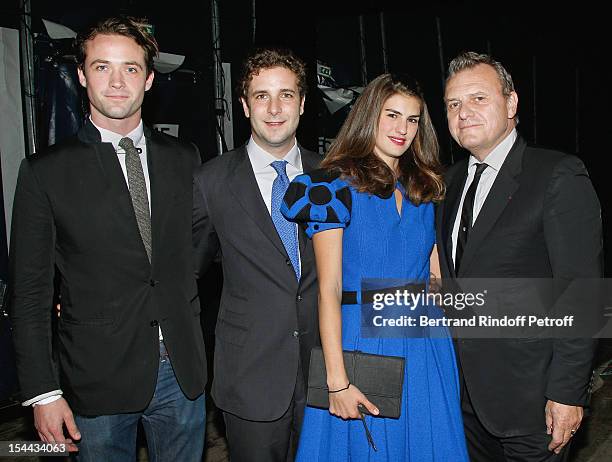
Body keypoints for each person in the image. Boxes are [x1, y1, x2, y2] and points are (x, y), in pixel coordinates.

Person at [9, 16, 207, 461]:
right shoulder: (45, 172)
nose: (117, 82)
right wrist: (42, 392)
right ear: (81, 76)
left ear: (150, 78)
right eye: (102, 67)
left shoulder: (184, 158)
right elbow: (30, 293)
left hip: (183, 373)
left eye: (131, 68)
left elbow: (198, 242)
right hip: (94, 377)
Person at [282, 74, 469, 460]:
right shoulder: (330, 187)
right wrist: (336, 381)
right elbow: (329, 289)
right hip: (361, 339)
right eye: (392, 115)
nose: (403, 129)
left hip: (425, 344)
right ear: (369, 115)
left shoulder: (426, 187)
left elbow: (434, 276)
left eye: (413, 120)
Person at [437, 51, 602, 461]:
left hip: (533, 405)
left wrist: (566, 393)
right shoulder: (448, 181)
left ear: (511, 104)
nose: (464, 113)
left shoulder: (557, 175)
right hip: (464, 402)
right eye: (454, 104)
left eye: (478, 99)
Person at [192, 48, 320, 462]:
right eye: (261, 96)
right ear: (245, 106)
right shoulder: (212, 182)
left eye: (286, 94)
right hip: (251, 377)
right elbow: (183, 272)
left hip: (327, 373)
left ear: (302, 102)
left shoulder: (334, 175)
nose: (275, 108)